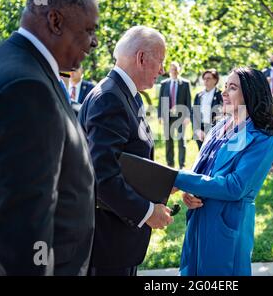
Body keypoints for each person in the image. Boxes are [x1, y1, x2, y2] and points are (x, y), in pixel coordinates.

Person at [0, 0, 98, 275]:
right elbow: (20, 227)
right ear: (55, 21)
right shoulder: (26, 86)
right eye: (89, 30)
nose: (94, 43)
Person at [78, 26, 173, 276]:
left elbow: (130, 158)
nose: (162, 70)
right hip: (106, 242)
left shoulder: (129, 96)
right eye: (160, 61)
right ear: (142, 58)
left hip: (120, 240)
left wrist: (162, 184)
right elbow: (102, 176)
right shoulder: (108, 98)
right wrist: (147, 212)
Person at [173, 67, 273, 276]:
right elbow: (203, 170)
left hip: (226, 225)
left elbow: (234, 186)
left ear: (250, 95)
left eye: (232, 88)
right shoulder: (219, 128)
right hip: (198, 221)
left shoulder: (262, 140)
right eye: (225, 86)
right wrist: (189, 193)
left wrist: (180, 179)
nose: (223, 92)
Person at [157, 62, 192, 169]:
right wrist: (160, 115)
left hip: (181, 116)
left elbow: (188, 101)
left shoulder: (185, 84)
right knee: (168, 140)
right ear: (169, 70)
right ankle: (170, 163)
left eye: (176, 69)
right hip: (167, 116)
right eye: (172, 69)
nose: (174, 71)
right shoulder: (164, 84)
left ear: (179, 70)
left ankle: (182, 165)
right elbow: (160, 101)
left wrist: (187, 116)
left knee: (181, 141)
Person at [191, 68, 223, 149]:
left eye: (208, 78)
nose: (205, 81)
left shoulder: (221, 95)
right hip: (200, 129)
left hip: (214, 129)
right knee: (201, 153)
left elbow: (223, 114)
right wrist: (197, 130)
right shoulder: (199, 95)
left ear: (215, 80)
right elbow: (194, 113)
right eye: (204, 78)